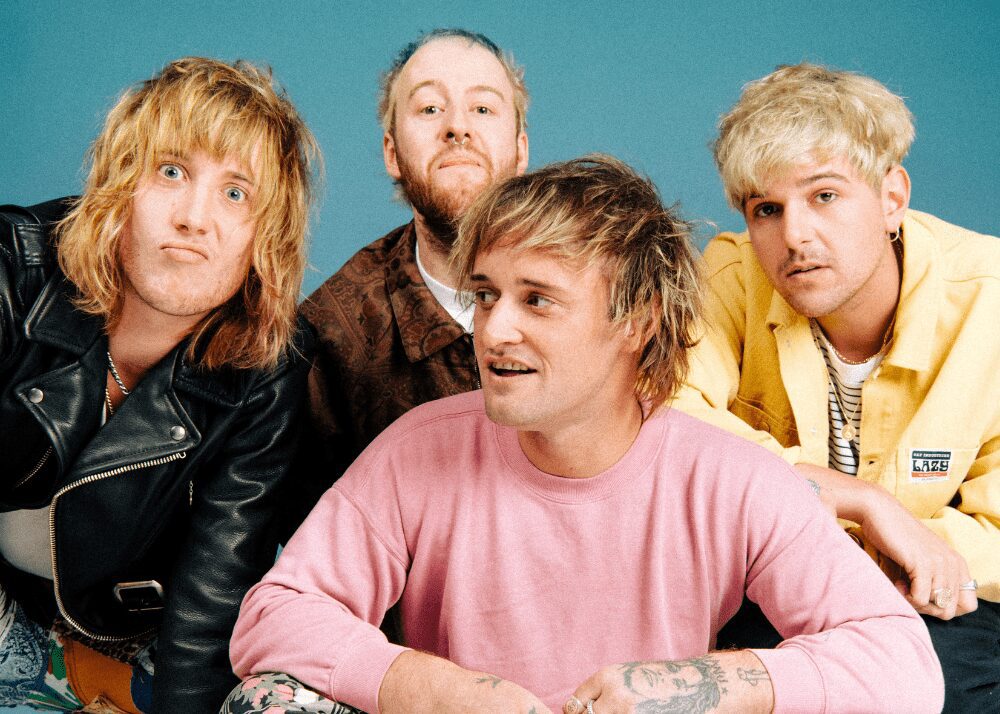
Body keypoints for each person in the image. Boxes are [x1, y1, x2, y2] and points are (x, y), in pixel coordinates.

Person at [223, 156, 943, 714]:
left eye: (537, 300)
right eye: (486, 296)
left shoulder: (731, 479)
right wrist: (433, 689)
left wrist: (697, 686)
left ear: (638, 321)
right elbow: (275, 616)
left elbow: (902, 664)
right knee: (269, 700)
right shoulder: (418, 450)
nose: (493, 331)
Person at [671, 63, 1000, 711]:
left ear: (892, 197)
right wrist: (863, 503)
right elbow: (666, 418)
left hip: (937, 602)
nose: (794, 236)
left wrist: (881, 547)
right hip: (775, 593)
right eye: (767, 209)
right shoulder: (731, 277)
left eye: (824, 196)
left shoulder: (988, 298)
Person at [0, 57, 319, 713]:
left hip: (123, 639)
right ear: (120, 186)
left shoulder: (268, 366)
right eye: (171, 172)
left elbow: (212, 595)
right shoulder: (14, 270)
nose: (194, 218)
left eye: (236, 193)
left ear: (266, 236)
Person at [287, 28, 529, 537]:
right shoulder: (328, 334)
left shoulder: (597, 288)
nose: (458, 127)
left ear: (520, 149)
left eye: (483, 108)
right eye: (430, 109)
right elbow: (317, 555)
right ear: (392, 153)